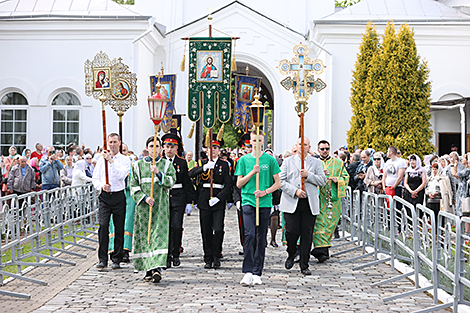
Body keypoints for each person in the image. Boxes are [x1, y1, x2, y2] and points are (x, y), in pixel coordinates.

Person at [236, 130, 281, 285]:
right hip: (248, 200)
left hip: (264, 202)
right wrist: (251, 173)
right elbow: (239, 183)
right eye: (254, 140)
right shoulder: (243, 160)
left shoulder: (270, 160)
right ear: (250, 141)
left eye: (259, 140)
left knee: (261, 237)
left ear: (263, 142)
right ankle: (247, 271)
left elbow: (278, 183)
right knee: (249, 235)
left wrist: (265, 192)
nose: (256, 143)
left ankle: (257, 271)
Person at [130, 136, 176, 283]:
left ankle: (157, 268)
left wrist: (158, 173)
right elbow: (133, 186)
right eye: (151, 146)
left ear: (161, 148)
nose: (154, 149)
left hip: (160, 208)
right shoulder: (137, 165)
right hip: (144, 209)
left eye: (157, 146)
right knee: (145, 238)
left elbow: (171, 181)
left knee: (158, 237)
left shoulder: (167, 165)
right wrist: (144, 198)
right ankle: (148, 270)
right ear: (147, 148)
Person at [280, 137, 326, 275]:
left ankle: (304, 264)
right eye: (300, 144)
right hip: (292, 201)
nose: (302, 147)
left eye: (305, 144)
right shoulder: (287, 162)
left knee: (307, 234)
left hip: (309, 203)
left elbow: (322, 181)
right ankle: (291, 252)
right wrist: (295, 191)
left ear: (309, 147)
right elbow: (281, 181)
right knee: (292, 232)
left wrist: (309, 175)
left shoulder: (316, 163)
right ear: (296, 145)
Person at [189, 134, 233, 269]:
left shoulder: (224, 164)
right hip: (204, 199)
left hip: (218, 200)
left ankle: (216, 255)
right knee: (206, 230)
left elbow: (228, 184)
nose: (212, 150)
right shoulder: (202, 163)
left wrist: (220, 198)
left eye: (215, 148)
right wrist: (204, 168)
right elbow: (190, 174)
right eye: (210, 148)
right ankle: (207, 257)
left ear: (219, 150)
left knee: (218, 229)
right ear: (206, 150)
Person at [92, 133, 131, 270]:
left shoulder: (125, 160)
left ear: (119, 143)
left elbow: (122, 175)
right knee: (103, 226)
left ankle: (117, 258)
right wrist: (101, 186)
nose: (112, 145)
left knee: (119, 227)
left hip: (119, 195)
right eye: (110, 142)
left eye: (115, 142)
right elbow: (95, 179)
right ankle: (102, 258)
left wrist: (111, 161)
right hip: (105, 197)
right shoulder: (101, 160)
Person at [312, 140, 349, 263]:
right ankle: (320, 251)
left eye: (327, 148)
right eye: (322, 149)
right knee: (319, 225)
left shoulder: (338, 163)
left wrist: (338, 180)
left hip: (332, 199)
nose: (324, 151)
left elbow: (346, 177)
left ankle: (323, 250)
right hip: (318, 198)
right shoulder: (313, 163)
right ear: (318, 150)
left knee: (329, 225)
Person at [162, 133, 194, 268]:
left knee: (176, 226)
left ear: (177, 148)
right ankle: (166, 255)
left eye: (172, 146)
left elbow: (186, 182)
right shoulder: (159, 161)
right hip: (163, 197)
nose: (169, 149)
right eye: (167, 146)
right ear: (163, 147)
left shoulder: (181, 162)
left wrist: (189, 201)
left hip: (178, 197)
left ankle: (176, 253)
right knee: (166, 228)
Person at [109, 143, 137, 263]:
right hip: (115, 194)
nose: (123, 152)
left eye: (124, 150)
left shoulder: (131, 164)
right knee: (112, 222)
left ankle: (125, 249)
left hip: (128, 193)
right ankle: (113, 248)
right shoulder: (111, 162)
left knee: (127, 222)